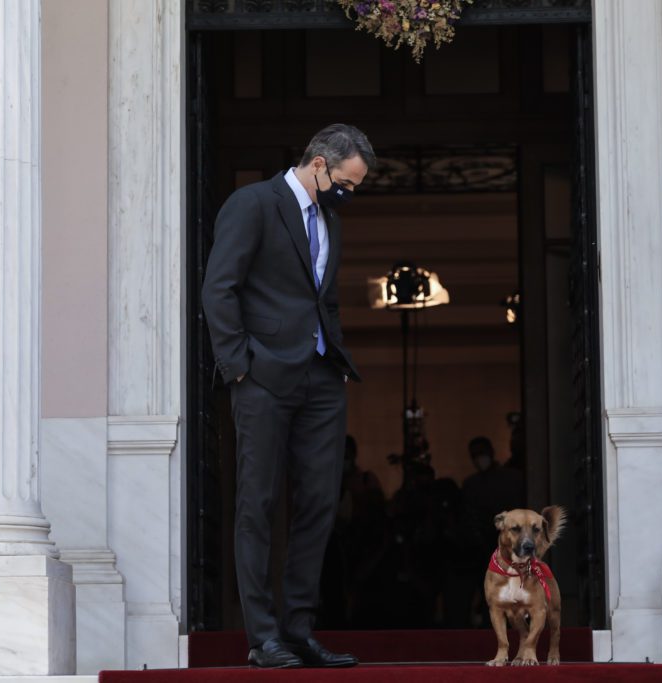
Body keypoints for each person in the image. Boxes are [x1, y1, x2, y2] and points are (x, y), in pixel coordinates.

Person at [201, 124, 374, 669]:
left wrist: (336, 357)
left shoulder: (331, 221)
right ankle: (263, 637)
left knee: (320, 503)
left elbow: (324, 300)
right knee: (258, 503)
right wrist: (238, 369)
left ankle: (299, 632)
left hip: (320, 378)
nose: (350, 194)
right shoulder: (253, 204)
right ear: (319, 165)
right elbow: (218, 288)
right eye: (347, 182)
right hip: (263, 379)